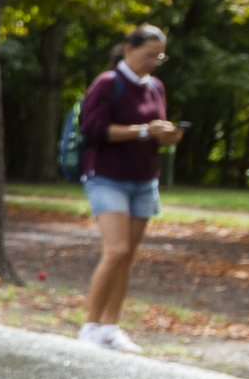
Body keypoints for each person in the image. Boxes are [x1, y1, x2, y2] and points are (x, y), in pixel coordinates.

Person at [77, 23, 184, 354]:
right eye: (147, 54)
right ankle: (90, 326)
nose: (152, 62)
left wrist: (168, 135)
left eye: (159, 56)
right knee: (117, 250)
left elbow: (154, 131)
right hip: (107, 176)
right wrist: (142, 131)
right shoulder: (108, 83)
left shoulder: (156, 87)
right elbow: (93, 130)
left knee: (127, 257)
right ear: (128, 49)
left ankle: (111, 328)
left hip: (143, 179)